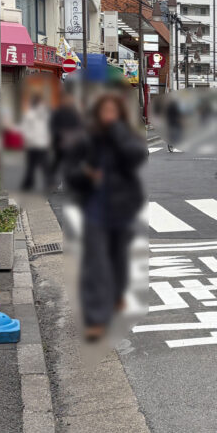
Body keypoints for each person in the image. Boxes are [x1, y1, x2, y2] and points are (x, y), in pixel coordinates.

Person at [64, 91, 148, 342]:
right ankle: (96, 319)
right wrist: (86, 175)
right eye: (105, 111)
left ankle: (117, 294)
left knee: (118, 258)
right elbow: (70, 172)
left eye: (113, 111)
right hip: (94, 209)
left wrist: (118, 133)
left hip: (122, 208)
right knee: (96, 263)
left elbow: (138, 156)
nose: (109, 116)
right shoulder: (86, 139)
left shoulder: (127, 136)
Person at [49, 95, 83, 189]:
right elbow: (53, 126)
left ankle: (69, 181)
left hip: (71, 142)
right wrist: (59, 135)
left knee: (69, 163)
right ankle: (51, 179)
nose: (68, 102)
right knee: (57, 161)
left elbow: (79, 126)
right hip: (59, 142)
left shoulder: (74, 113)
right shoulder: (58, 112)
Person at [20, 94, 52, 191]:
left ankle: (30, 184)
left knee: (37, 166)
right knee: (36, 166)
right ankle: (29, 184)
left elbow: (47, 129)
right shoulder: (32, 115)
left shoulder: (43, 114)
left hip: (38, 144)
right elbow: (25, 129)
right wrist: (32, 138)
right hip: (36, 144)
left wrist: (47, 139)